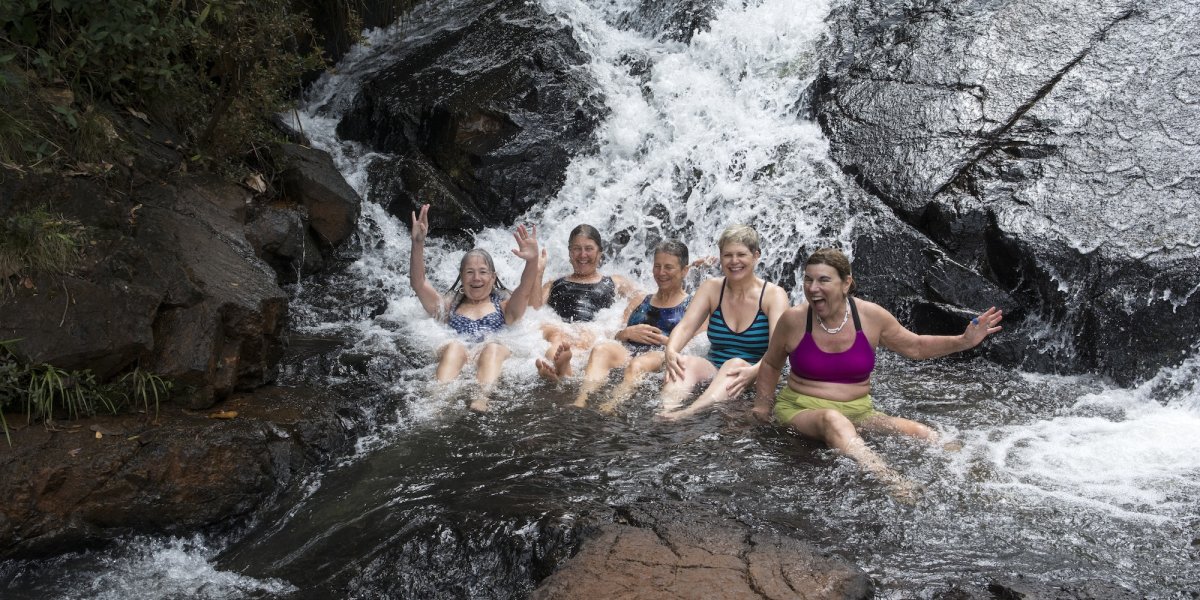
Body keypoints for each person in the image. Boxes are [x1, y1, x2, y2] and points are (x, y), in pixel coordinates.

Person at [751, 247, 1003, 495]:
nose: (812, 288)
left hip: (859, 411)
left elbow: (915, 347)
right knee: (833, 420)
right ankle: (890, 480)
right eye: (808, 279)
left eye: (823, 280)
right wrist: (762, 408)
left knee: (924, 434)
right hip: (800, 409)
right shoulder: (793, 320)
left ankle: (979, 480)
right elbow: (772, 364)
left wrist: (963, 341)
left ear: (846, 283)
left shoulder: (871, 317)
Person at [408, 204, 541, 411]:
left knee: (493, 348)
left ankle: (481, 398)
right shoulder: (448, 307)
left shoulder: (505, 308)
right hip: (457, 357)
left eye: (483, 272)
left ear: (493, 277)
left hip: (492, 358)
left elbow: (524, 290)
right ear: (461, 278)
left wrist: (532, 261)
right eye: (469, 272)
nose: (476, 278)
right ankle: (436, 402)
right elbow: (419, 284)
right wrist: (418, 243)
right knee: (454, 347)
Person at [660, 224, 789, 420]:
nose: (734, 261)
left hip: (756, 373)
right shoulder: (712, 288)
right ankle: (665, 411)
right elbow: (686, 326)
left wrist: (753, 372)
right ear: (720, 258)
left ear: (756, 256)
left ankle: (689, 412)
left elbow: (778, 351)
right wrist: (671, 351)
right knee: (685, 361)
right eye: (728, 255)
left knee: (734, 363)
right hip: (715, 370)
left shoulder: (773, 295)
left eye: (741, 254)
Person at [571, 240, 694, 410]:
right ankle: (580, 401)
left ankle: (611, 405)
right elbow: (613, 332)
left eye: (668, 267)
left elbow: (696, 345)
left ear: (684, 271)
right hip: (628, 351)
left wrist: (665, 341)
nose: (661, 272)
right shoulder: (640, 300)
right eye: (657, 266)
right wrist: (626, 333)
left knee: (638, 364)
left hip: (659, 354)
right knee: (601, 349)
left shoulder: (693, 306)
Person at [529, 224, 638, 381]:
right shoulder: (554, 284)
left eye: (589, 249)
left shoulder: (614, 281)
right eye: (577, 249)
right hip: (560, 328)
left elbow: (639, 296)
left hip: (591, 330)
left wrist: (624, 321)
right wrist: (538, 273)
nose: (583, 254)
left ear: (599, 253)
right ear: (569, 253)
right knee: (553, 333)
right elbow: (533, 311)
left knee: (585, 335)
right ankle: (562, 367)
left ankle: (562, 371)